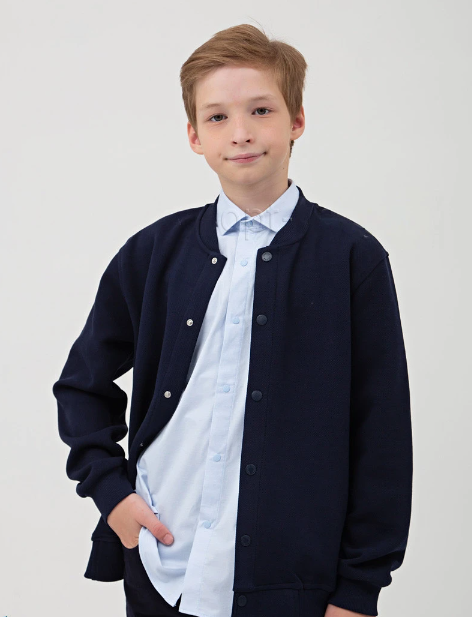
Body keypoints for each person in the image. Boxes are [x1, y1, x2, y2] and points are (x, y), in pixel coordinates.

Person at [52, 23, 413, 617]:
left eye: (261, 110)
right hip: (163, 567)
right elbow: (81, 385)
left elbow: (383, 435)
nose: (241, 132)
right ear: (194, 136)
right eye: (217, 117)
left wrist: (358, 589)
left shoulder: (352, 258)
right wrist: (111, 493)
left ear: (297, 120)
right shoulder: (153, 253)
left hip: (293, 586)